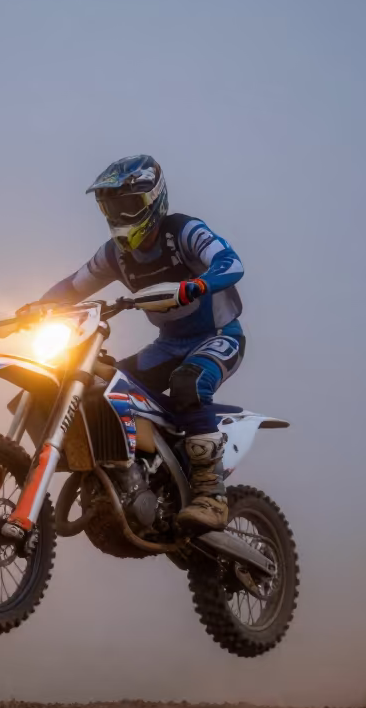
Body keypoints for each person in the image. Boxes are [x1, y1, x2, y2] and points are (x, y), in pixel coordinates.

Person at [22, 154, 245, 531]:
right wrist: (35, 309)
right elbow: (74, 286)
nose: (120, 216)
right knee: (104, 386)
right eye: (111, 207)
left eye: (128, 205)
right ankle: (130, 473)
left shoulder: (184, 232)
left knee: (188, 384)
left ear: (153, 200)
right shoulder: (115, 254)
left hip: (219, 337)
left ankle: (211, 495)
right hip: (169, 344)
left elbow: (230, 261)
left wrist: (198, 284)